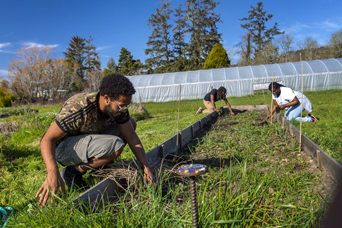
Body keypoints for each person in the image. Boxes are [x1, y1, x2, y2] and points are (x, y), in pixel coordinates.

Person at [35, 74, 155, 206]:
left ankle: (100, 168)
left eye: (127, 105)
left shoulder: (119, 109)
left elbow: (131, 137)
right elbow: (47, 140)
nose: (124, 109)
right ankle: (73, 173)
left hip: (89, 139)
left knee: (131, 124)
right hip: (64, 148)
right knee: (116, 145)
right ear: (107, 98)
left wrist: (146, 166)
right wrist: (53, 173)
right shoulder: (78, 107)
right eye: (121, 105)